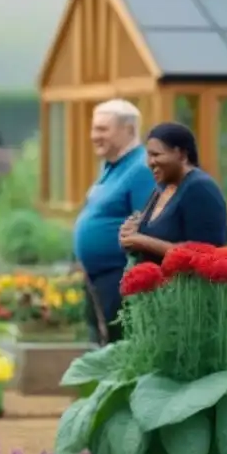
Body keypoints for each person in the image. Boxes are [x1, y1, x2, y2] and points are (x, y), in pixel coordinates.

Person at [73, 100, 157, 344]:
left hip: (121, 278)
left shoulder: (141, 169)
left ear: (129, 130)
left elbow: (148, 225)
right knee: (101, 348)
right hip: (98, 278)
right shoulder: (111, 167)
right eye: (94, 129)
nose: (94, 136)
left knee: (119, 349)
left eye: (103, 129)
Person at [121, 122, 227, 261]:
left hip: (185, 282)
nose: (151, 162)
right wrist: (130, 234)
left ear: (182, 155)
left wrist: (142, 241)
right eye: (149, 155)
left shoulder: (200, 188)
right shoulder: (161, 188)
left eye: (157, 155)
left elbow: (205, 253)